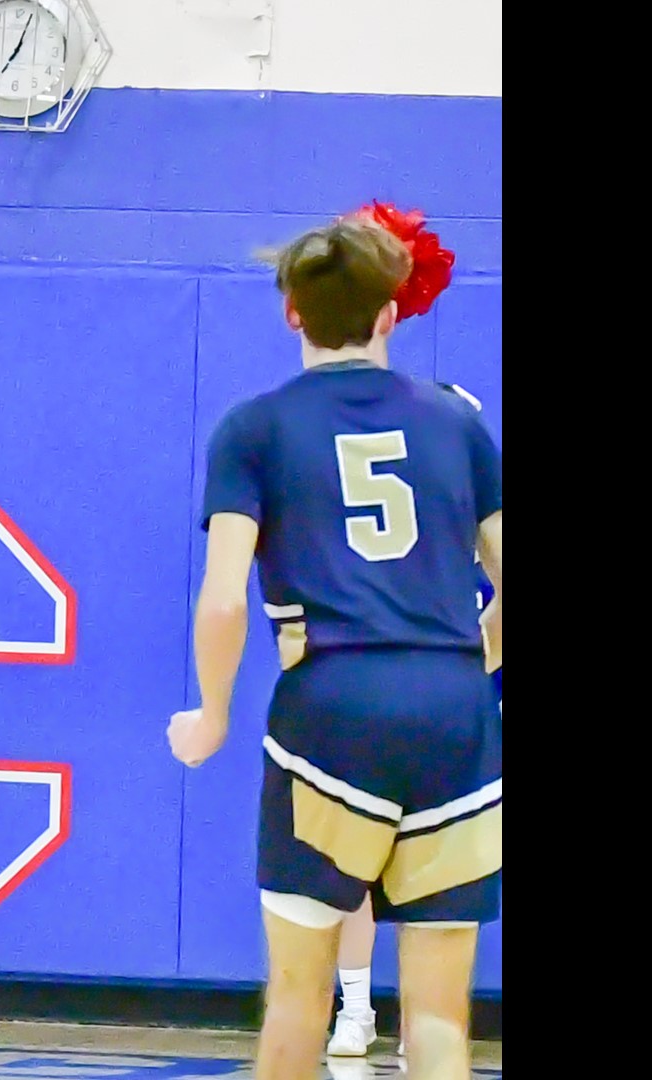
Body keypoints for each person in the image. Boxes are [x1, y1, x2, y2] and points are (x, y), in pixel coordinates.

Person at [169, 212, 499, 1079]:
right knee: (436, 1019)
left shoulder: (255, 427)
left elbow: (223, 598)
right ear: (392, 313)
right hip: (455, 705)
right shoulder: (458, 424)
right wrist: (471, 663)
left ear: (291, 315)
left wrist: (211, 712)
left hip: (333, 705)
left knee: (299, 1002)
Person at [325, 381, 500, 1064]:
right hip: (374, 717)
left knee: (440, 884)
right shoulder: (372, 550)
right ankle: (358, 1007)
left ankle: (424, 1023)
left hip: (461, 725)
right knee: (357, 873)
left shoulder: (483, 551)